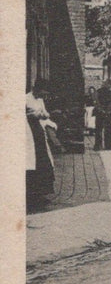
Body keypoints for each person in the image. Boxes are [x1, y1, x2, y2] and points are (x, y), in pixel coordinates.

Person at [26, 80, 57, 208]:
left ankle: (40, 195)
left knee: (43, 163)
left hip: (38, 133)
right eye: (42, 93)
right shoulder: (25, 99)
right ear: (37, 89)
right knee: (32, 165)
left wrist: (46, 116)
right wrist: (33, 114)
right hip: (28, 134)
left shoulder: (40, 100)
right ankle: (31, 197)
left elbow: (44, 114)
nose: (43, 96)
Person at [94, 79, 111, 150]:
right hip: (108, 114)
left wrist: (101, 110)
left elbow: (95, 102)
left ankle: (97, 145)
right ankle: (108, 145)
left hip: (99, 113)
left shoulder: (97, 92)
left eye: (104, 83)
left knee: (98, 129)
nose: (103, 84)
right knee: (108, 130)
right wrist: (107, 111)